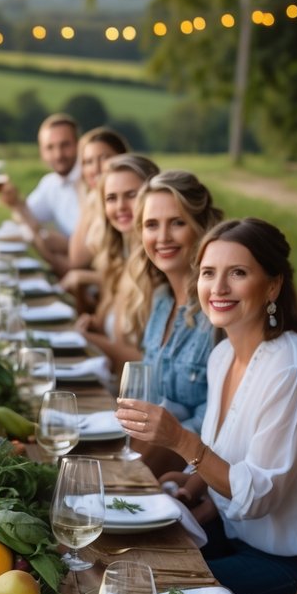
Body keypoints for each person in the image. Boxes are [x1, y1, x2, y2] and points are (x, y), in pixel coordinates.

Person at [116, 218, 297, 594]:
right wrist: (190, 491)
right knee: (123, 563)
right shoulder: (223, 355)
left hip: (290, 564)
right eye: (208, 273)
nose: (218, 288)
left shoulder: (292, 369)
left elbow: (256, 496)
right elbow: (225, 456)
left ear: (273, 286)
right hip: (234, 533)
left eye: (237, 273)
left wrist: (179, 439)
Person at [126, 169, 222, 473]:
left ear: (201, 227)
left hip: (196, 480)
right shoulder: (160, 300)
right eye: (152, 225)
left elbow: (217, 426)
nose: (163, 237)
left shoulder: (219, 311)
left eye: (177, 223)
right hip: (151, 463)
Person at [74, 153, 159, 377]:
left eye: (131, 195)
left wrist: (90, 340)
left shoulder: (158, 269)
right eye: (111, 198)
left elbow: (152, 365)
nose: (120, 206)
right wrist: (96, 326)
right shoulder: (121, 259)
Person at [0, 113, 81, 256]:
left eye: (65, 145)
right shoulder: (51, 183)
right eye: (50, 147)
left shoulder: (91, 179)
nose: (58, 155)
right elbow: (27, 216)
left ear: (79, 145)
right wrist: (16, 203)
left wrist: (66, 245)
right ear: (42, 152)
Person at [60, 126, 130, 291]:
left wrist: (84, 277)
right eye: (87, 162)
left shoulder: (125, 207)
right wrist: (86, 197)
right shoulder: (94, 200)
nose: (95, 168)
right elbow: (77, 258)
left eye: (104, 158)